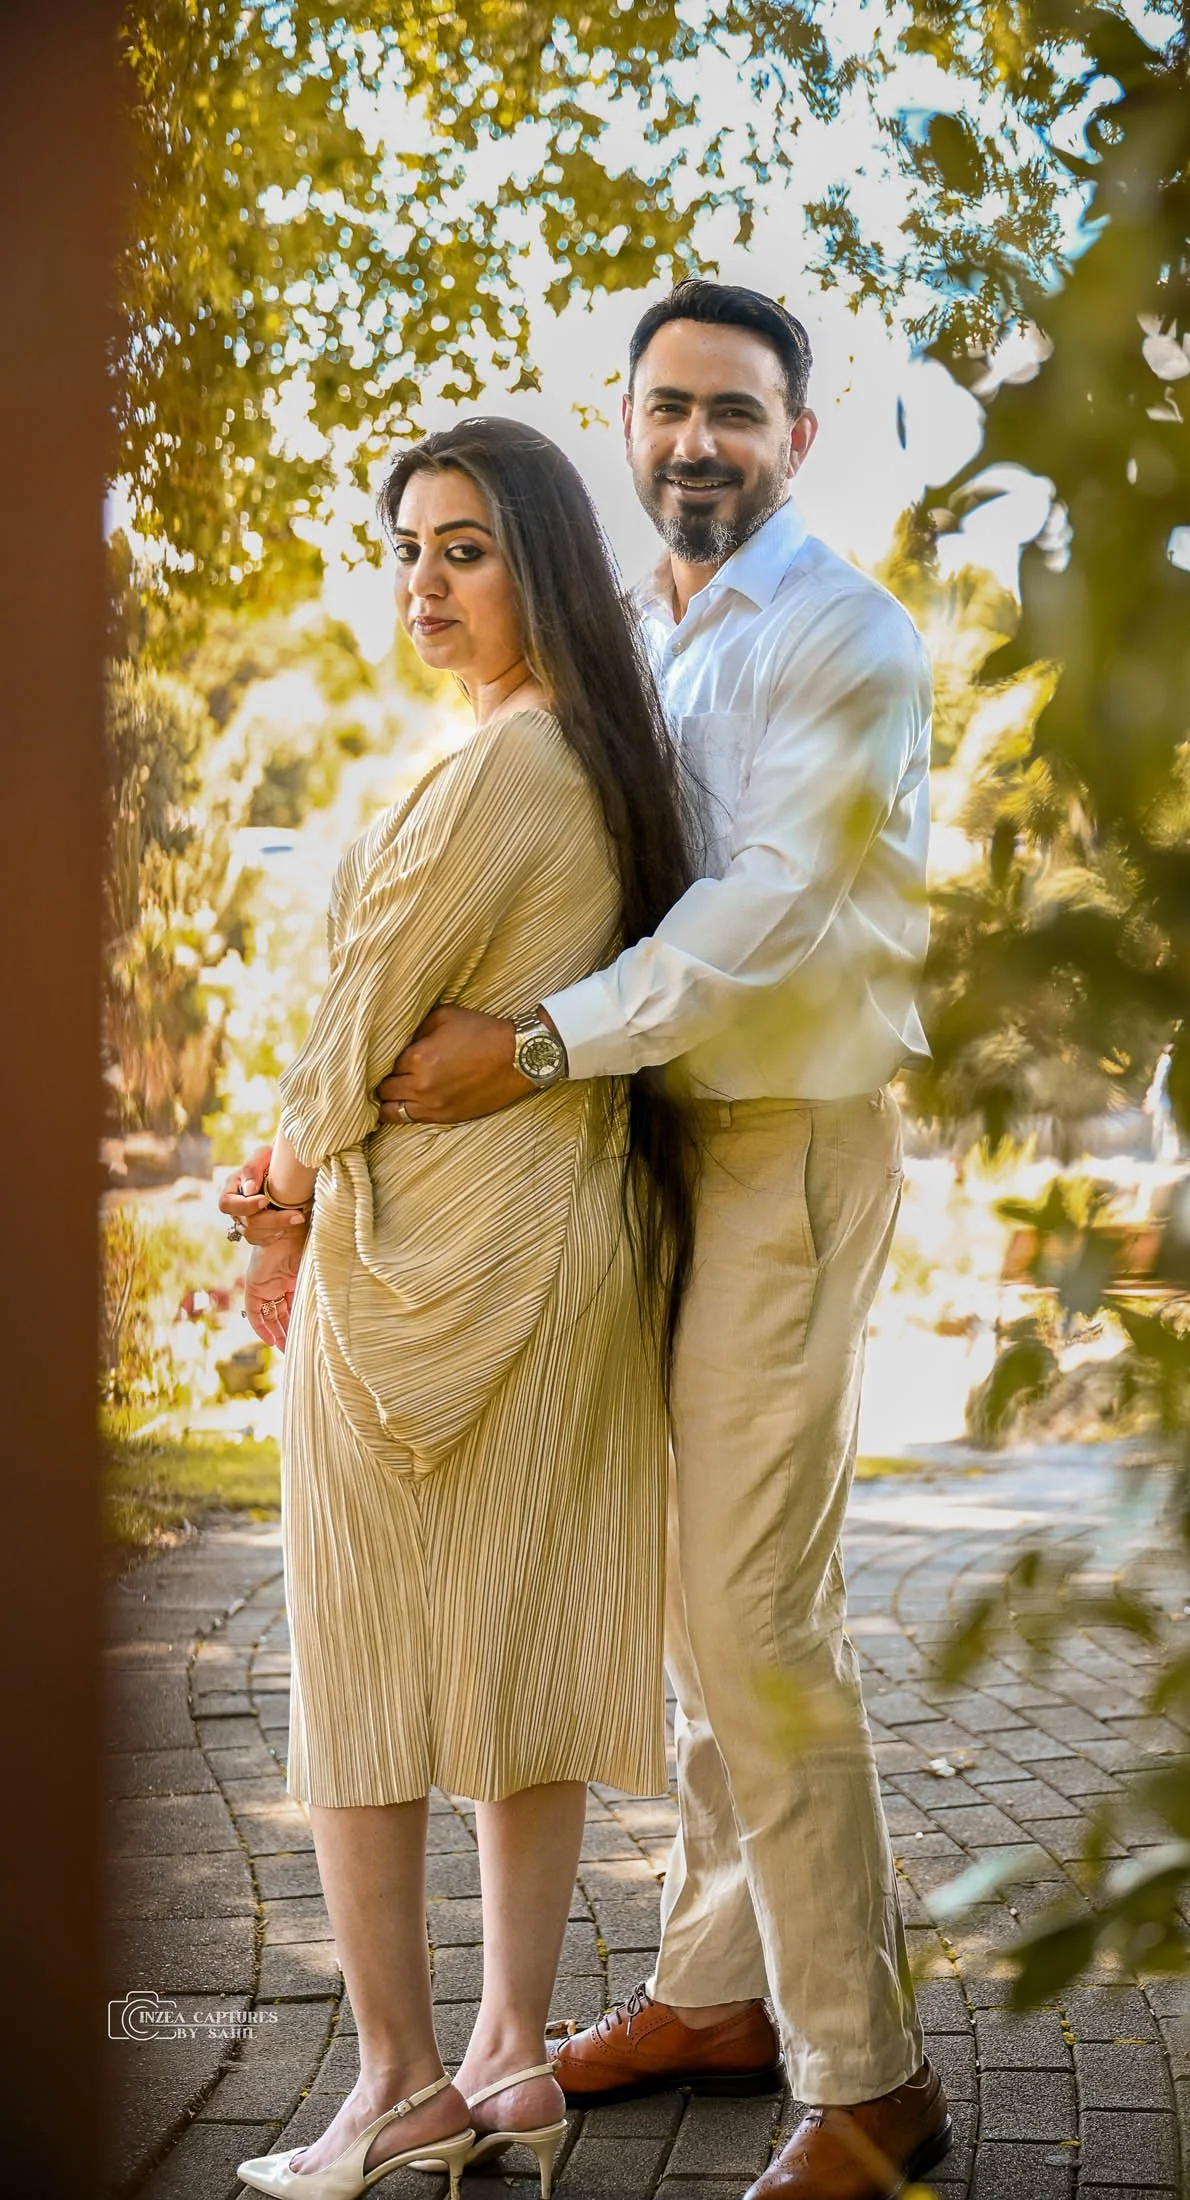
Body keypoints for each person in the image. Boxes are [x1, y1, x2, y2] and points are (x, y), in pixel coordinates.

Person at [373, 280, 951, 2200]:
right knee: (686, 1598)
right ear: (625, 432)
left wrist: (535, 1044)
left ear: (794, 437)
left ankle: (866, 2082)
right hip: (653, 1154)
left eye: (736, 410)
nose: (696, 439)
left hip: (782, 1146)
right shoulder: (646, 639)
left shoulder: (846, 637)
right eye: (667, 407)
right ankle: (716, 1990)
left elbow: (772, 910)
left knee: (755, 1618)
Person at [218, 417, 698, 2200]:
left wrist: (272, 1196)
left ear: (544, 565)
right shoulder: (579, 754)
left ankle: (398, 2081)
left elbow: (358, 1018)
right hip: (557, 1251)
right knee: (512, 1646)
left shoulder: (508, 768)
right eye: (407, 545)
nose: (423, 579)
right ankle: (506, 2057)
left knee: (358, 1665)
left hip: (441, 1269)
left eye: (467, 547)